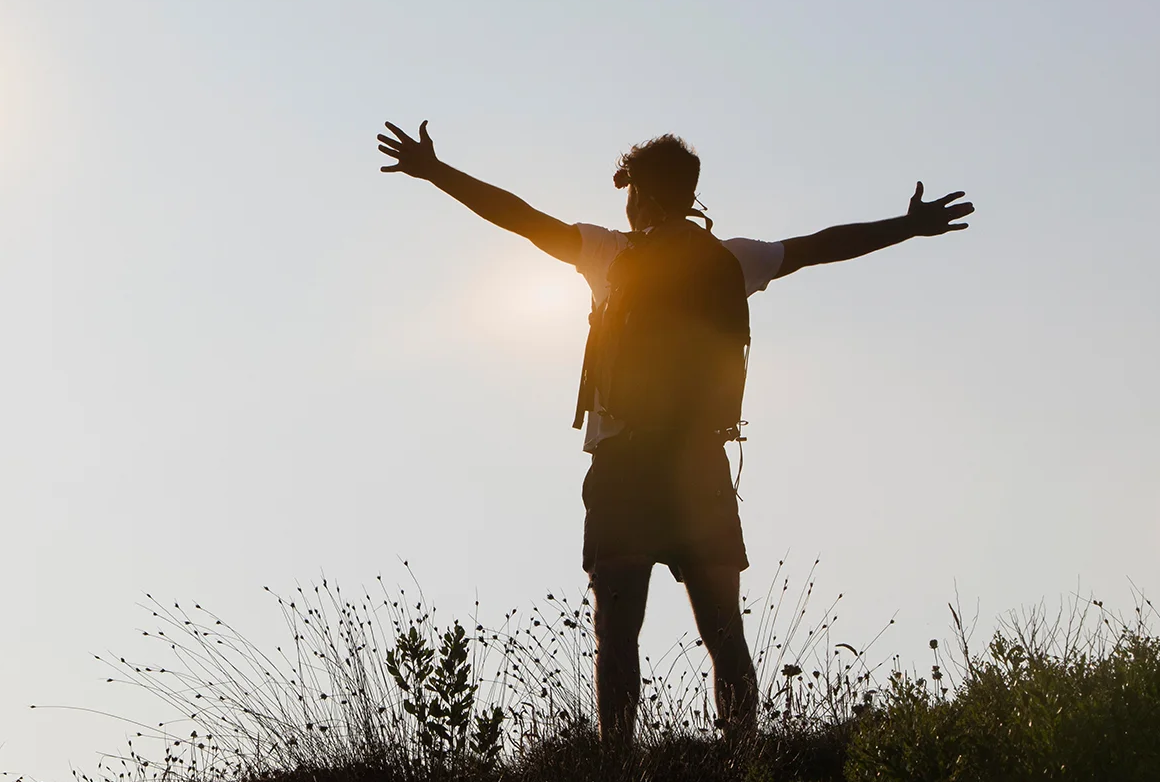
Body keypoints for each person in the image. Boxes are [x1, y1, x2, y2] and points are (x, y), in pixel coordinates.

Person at [375, 121, 973, 744]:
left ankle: (617, 774)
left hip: (624, 467)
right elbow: (820, 246)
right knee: (724, 635)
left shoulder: (609, 253)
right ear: (690, 195)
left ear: (639, 194)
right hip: (699, 465)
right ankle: (743, 773)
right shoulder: (732, 260)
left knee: (617, 634)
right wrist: (909, 226)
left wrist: (436, 171)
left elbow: (522, 219)